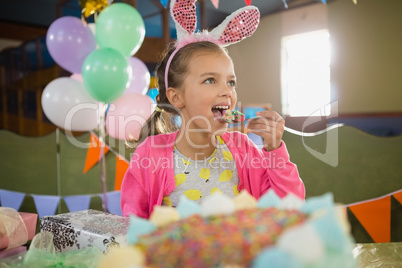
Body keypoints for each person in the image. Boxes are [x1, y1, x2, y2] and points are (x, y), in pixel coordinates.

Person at [121, 1, 305, 219]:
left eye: (231, 82)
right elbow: (134, 225)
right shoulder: (149, 155)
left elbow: (289, 208)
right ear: (176, 97)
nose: (227, 91)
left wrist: (275, 152)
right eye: (210, 80)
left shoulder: (243, 149)